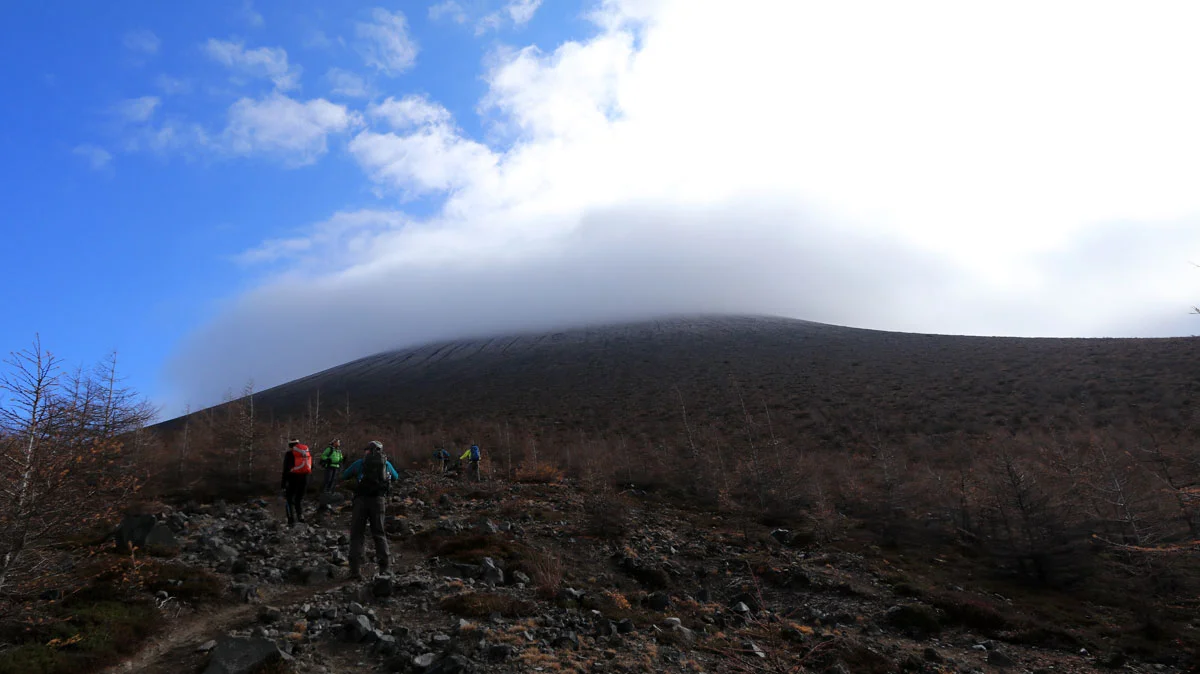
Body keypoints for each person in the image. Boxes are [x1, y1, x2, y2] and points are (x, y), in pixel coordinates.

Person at [341, 440, 400, 579]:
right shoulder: (386, 463)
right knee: (379, 534)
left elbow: (344, 476)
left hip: (360, 500)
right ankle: (385, 568)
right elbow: (396, 477)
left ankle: (355, 571)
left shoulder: (359, 463)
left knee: (357, 535)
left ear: (368, 450)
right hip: (379, 501)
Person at [281, 439, 313, 526]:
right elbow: (311, 467)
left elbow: (285, 470)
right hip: (305, 478)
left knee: (289, 500)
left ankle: (291, 520)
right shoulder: (305, 453)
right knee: (299, 499)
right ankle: (301, 517)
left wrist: (283, 484)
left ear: (290, 446)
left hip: (292, 479)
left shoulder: (289, 454)